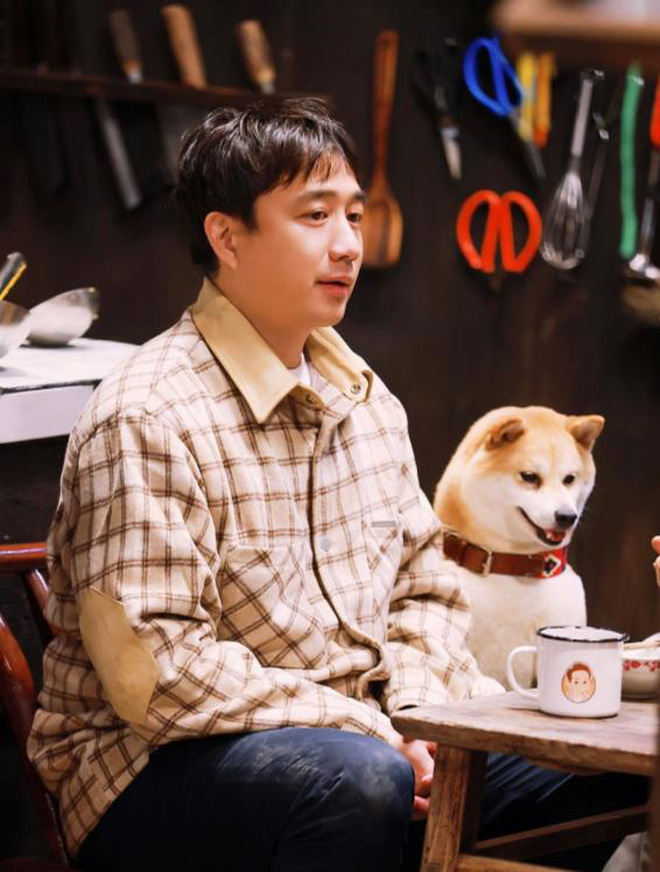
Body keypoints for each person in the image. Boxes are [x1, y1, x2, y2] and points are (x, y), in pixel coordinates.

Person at [27, 98, 646, 872]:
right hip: (152, 770)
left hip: (364, 750)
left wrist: (418, 716)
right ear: (226, 236)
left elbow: (423, 592)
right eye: (315, 216)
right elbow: (157, 675)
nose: (348, 243)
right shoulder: (148, 414)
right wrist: (364, 728)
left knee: (609, 764)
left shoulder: (365, 401)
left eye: (353, 215)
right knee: (357, 783)